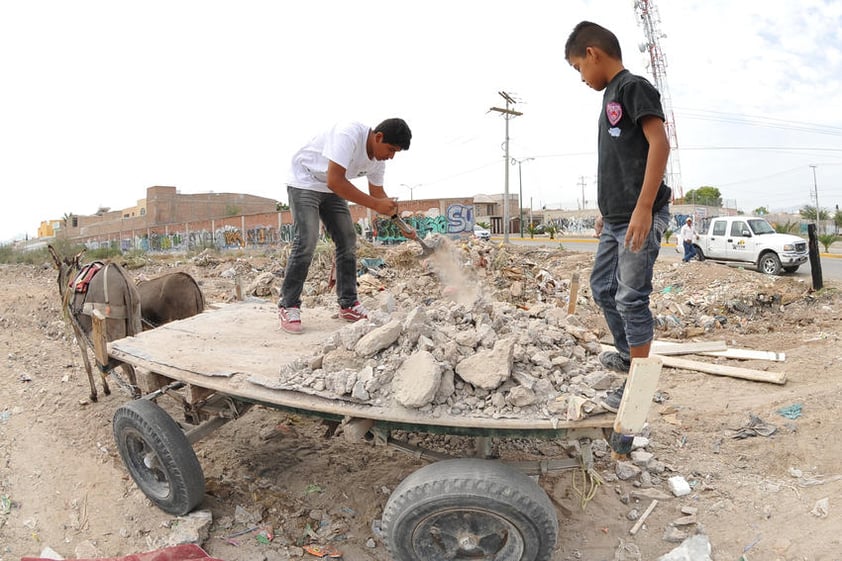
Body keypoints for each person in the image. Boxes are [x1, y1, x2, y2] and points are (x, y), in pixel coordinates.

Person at [564, 21, 672, 412]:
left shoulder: (632, 87)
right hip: (615, 218)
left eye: (578, 67)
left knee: (631, 298)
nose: (580, 77)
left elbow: (659, 144)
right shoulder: (609, 94)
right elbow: (621, 160)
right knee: (602, 289)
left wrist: (644, 208)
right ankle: (629, 355)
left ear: (592, 53)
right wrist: (605, 211)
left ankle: (638, 393)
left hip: (639, 216)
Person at [278, 118, 412, 334]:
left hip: (331, 189)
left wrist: (402, 225)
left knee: (348, 240)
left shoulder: (379, 161)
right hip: (305, 181)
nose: (391, 156)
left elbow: (378, 195)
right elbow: (335, 180)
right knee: (307, 240)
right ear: (378, 137)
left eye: (396, 152)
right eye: (390, 149)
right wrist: (377, 204)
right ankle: (288, 304)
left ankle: (348, 304)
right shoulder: (348, 135)